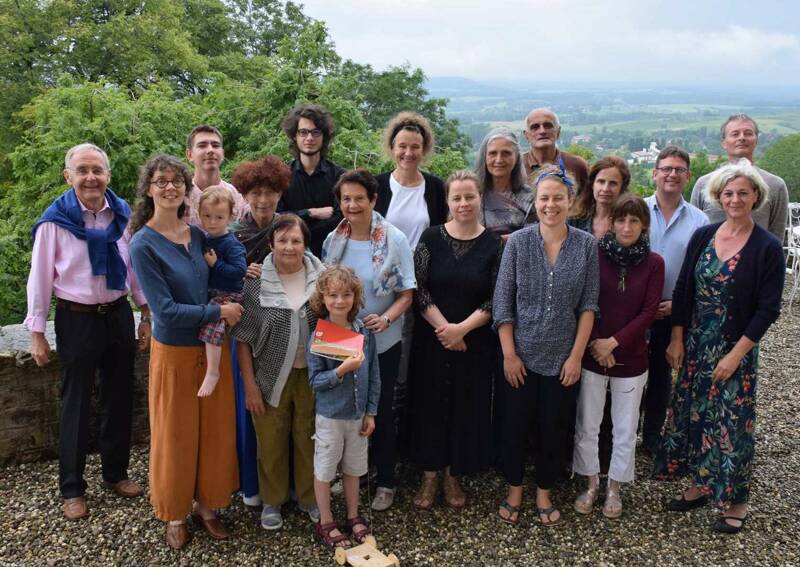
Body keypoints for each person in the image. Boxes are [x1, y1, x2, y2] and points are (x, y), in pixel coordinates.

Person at [655, 160, 785, 534]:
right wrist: (677, 337)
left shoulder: (767, 247)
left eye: (743, 192)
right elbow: (683, 290)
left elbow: (768, 309)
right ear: (718, 197)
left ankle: (736, 502)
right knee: (695, 415)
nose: (735, 199)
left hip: (734, 349)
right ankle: (698, 485)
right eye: (728, 193)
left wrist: (735, 355)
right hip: (696, 343)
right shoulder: (705, 235)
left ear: (756, 196)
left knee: (731, 423)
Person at [25, 143, 150, 520]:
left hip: (116, 314)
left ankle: (115, 473)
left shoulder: (125, 216)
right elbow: (40, 277)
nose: (91, 177)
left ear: (108, 175)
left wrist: (145, 313)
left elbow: (134, 269)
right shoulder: (55, 221)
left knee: (119, 397)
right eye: (83, 170)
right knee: (76, 402)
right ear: (69, 176)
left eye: (97, 170)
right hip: (76, 318)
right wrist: (36, 331)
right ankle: (72, 487)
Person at [128, 154, 242, 549]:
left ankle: (207, 506)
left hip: (210, 348)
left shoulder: (197, 234)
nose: (170, 186)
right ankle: (174, 511)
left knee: (214, 433)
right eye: (161, 181)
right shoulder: (143, 243)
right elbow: (165, 312)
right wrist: (219, 312)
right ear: (149, 188)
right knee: (175, 436)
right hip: (175, 353)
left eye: (176, 180)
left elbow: (224, 268)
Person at [493, 166, 598, 527]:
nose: (550, 205)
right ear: (534, 203)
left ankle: (545, 491)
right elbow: (503, 304)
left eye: (558, 198)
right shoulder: (519, 243)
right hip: (519, 354)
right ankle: (514, 489)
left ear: (570, 201)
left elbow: (588, 306)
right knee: (515, 427)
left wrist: (576, 356)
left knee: (553, 428)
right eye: (544, 198)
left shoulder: (586, 246)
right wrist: (508, 354)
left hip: (564, 357)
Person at [322, 169, 415, 512]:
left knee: (381, 410)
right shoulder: (334, 239)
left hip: (383, 339)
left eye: (359, 198)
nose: (352, 204)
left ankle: (386, 480)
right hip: (343, 337)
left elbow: (408, 293)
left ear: (374, 200)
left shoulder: (395, 239)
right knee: (348, 410)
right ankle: (353, 477)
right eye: (346, 198)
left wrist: (387, 317)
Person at [409, 170, 502, 509]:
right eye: (457, 197)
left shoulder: (495, 243)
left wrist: (461, 330)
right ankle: (429, 474)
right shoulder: (430, 238)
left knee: (465, 407)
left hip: (474, 342)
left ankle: (453, 474)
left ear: (480, 199)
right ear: (447, 201)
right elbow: (417, 287)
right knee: (429, 405)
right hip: (432, 337)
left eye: (470, 197)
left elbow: (497, 297)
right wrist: (445, 329)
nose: (463, 203)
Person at [572, 194, 664, 518]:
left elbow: (649, 311)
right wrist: (598, 343)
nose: (627, 226)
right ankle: (591, 483)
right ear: (611, 223)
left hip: (632, 356)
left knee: (625, 427)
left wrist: (614, 343)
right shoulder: (594, 254)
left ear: (644, 225)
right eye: (621, 220)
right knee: (589, 423)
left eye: (634, 221)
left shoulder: (654, 263)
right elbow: (585, 299)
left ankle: (615, 486)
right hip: (592, 353)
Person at [231, 214, 323, 530]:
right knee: (270, 442)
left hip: (312, 377)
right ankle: (273, 501)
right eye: (282, 240)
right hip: (270, 378)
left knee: (309, 439)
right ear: (271, 243)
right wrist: (250, 386)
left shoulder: (322, 281)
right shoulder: (255, 284)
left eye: (296, 240)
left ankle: (310, 498)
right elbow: (243, 339)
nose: (289, 247)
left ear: (305, 244)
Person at [228, 155, 292, 507]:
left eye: (270, 192)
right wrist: (240, 276)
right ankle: (252, 485)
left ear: (279, 195)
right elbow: (218, 280)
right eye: (256, 193)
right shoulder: (232, 233)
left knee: (284, 407)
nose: (263, 200)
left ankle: (288, 484)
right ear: (245, 196)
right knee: (251, 406)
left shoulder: (288, 229)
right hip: (245, 327)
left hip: (281, 328)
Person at [641, 146, 709, 454]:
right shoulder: (636, 211)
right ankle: (620, 434)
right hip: (635, 311)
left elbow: (700, 272)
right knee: (626, 373)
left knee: (661, 376)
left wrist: (680, 306)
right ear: (654, 173)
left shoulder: (700, 221)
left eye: (679, 169)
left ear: (688, 176)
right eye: (666, 168)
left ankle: (653, 435)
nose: (672, 174)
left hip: (674, 311)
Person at [307, 266, 380, 548]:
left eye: (347, 295)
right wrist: (342, 370)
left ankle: (352, 515)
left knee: (354, 468)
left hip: (358, 414)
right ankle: (325, 520)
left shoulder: (362, 330)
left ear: (355, 297)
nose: (340, 301)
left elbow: (373, 373)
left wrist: (371, 412)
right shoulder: (320, 335)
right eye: (333, 295)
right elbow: (315, 381)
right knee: (325, 470)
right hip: (330, 416)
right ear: (323, 299)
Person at [691, 114, 788, 241]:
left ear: (756, 140)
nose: (742, 138)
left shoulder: (775, 185)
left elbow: (776, 236)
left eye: (748, 133)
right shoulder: (704, 184)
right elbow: (694, 231)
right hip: (711, 258)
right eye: (735, 134)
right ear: (724, 143)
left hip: (757, 258)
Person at [196, 187, 247, 397]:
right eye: (207, 216)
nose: (213, 222)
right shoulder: (204, 238)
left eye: (219, 217)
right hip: (211, 292)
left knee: (213, 322)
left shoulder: (231, 243)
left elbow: (239, 271)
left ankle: (213, 371)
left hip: (229, 294)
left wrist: (216, 264)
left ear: (230, 216)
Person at [278, 104, 345, 257]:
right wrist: (310, 213)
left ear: (324, 137)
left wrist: (295, 217)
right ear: (294, 136)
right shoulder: (282, 176)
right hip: (290, 256)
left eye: (316, 132)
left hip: (331, 257)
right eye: (303, 132)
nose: (309, 138)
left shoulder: (339, 176)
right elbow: (277, 218)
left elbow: (341, 218)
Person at [375, 111, 448, 250]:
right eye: (402, 146)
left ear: (424, 150)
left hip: (425, 269)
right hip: (385, 269)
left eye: (415, 147)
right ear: (392, 147)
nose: (408, 153)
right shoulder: (376, 186)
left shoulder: (437, 187)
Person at [475, 127, 535, 238]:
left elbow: (532, 238)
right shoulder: (472, 195)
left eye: (506, 153)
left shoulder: (530, 197)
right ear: (484, 157)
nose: (499, 159)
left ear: (516, 157)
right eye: (492, 153)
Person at [184, 124, 248, 225]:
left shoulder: (236, 197)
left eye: (215, 145)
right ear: (189, 154)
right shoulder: (182, 196)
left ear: (222, 154)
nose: (210, 150)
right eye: (202, 145)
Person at [522, 107, 589, 196]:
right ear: (526, 135)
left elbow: (587, 202)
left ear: (558, 132)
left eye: (548, 126)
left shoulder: (577, 165)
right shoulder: (516, 166)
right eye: (535, 127)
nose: (542, 131)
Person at [569, 156, 631, 239]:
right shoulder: (575, 220)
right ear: (592, 184)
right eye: (601, 181)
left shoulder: (630, 223)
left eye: (613, 183)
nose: (605, 189)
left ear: (622, 188)